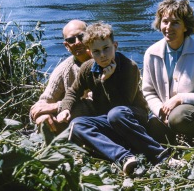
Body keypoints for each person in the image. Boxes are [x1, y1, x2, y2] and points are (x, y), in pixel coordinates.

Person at [56, 21, 170, 176]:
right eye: (96, 51)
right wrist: (65, 109)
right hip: (108, 118)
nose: (102, 55)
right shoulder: (87, 68)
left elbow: (122, 104)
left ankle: (160, 155)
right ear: (89, 52)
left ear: (115, 46)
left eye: (106, 49)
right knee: (77, 124)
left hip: (132, 117)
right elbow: (73, 92)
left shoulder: (129, 67)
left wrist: (106, 80)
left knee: (116, 114)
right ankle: (125, 157)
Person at [142, 0, 194, 145]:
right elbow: (148, 91)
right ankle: (172, 148)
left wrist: (180, 99)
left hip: (192, 114)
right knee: (150, 126)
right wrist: (160, 112)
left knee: (177, 117)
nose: (168, 28)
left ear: (185, 27)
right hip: (165, 114)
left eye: (175, 23)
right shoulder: (151, 53)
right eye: (165, 22)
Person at [29, 19, 93, 143]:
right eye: (71, 40)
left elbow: (96, 104)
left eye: (81, 37)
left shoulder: (102, 61)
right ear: (66, 46)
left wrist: (57, 107)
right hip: (73, 122)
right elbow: (42, 103)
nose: (78, 42)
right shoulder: (64, 69)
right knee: (46, 121)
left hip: (99, 120)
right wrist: (41, 116)